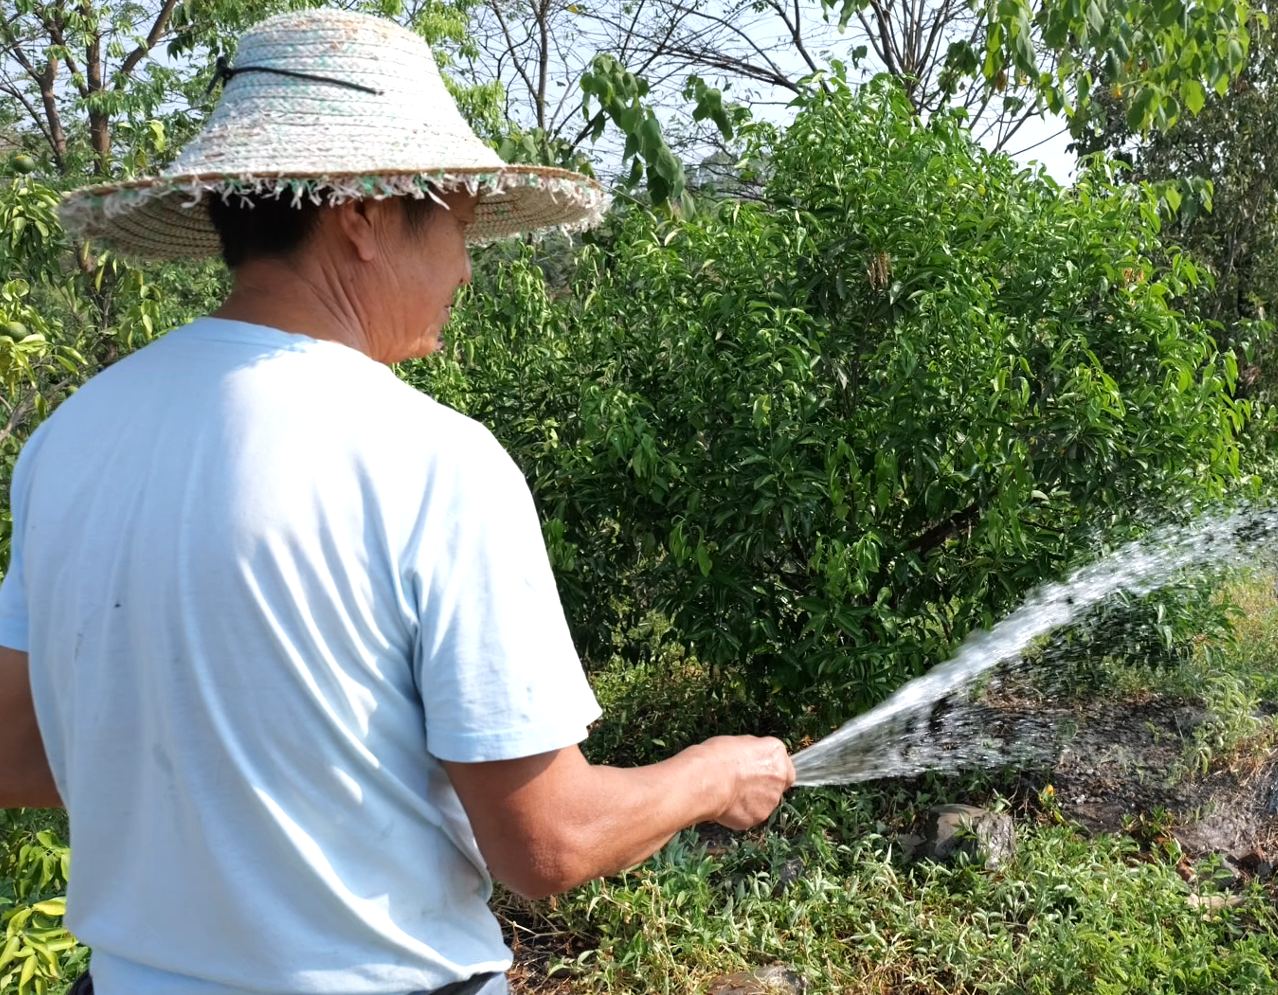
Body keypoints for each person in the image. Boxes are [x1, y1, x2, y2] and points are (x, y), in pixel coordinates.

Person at [0, 9, 793, 994]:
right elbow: (545, 843)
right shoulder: (433, 461)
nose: (465, 266)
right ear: (364, 218)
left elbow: (18, 752)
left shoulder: (69, 438)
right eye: (456, 226)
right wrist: (715, 773)